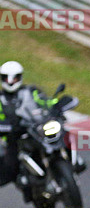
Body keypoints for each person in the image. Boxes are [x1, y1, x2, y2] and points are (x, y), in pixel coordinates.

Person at [0, 61, 59, 194]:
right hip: (13, 138)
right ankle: (26, 184)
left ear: (20, 77)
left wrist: (57, 104)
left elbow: (45, 101)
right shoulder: (0, 98)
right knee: (10, 166)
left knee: (60, 133)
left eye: (14, 78)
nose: (10, 81)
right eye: (7, 78)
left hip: (35, 129)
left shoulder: (31, 91)